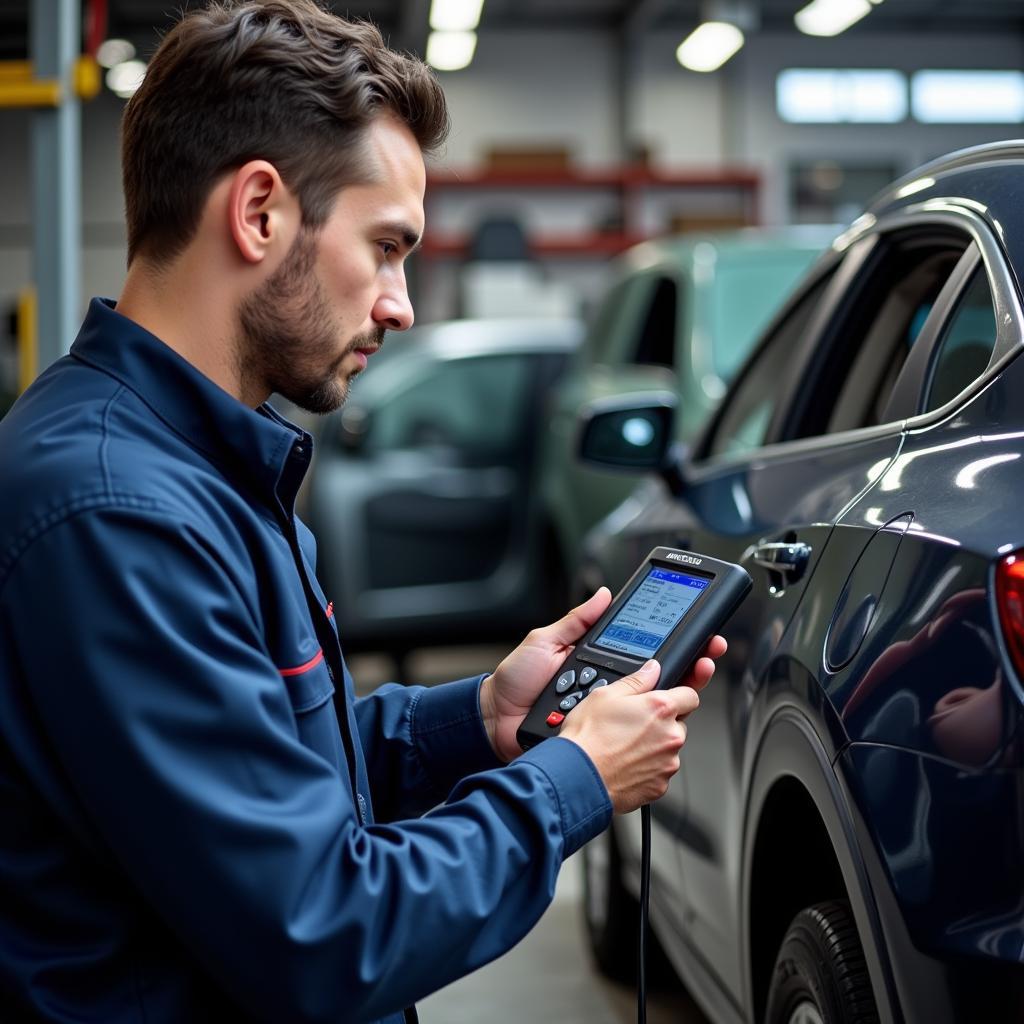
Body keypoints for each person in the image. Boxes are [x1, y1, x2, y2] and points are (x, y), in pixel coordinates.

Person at [0, 2, 726, 1021]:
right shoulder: (117, 512)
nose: (401, 302)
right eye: (386, 246)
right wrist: (573, 780)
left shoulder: (199, 468)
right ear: (259, 212)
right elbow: (324, 928)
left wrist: (478, 721)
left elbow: (269, 774)